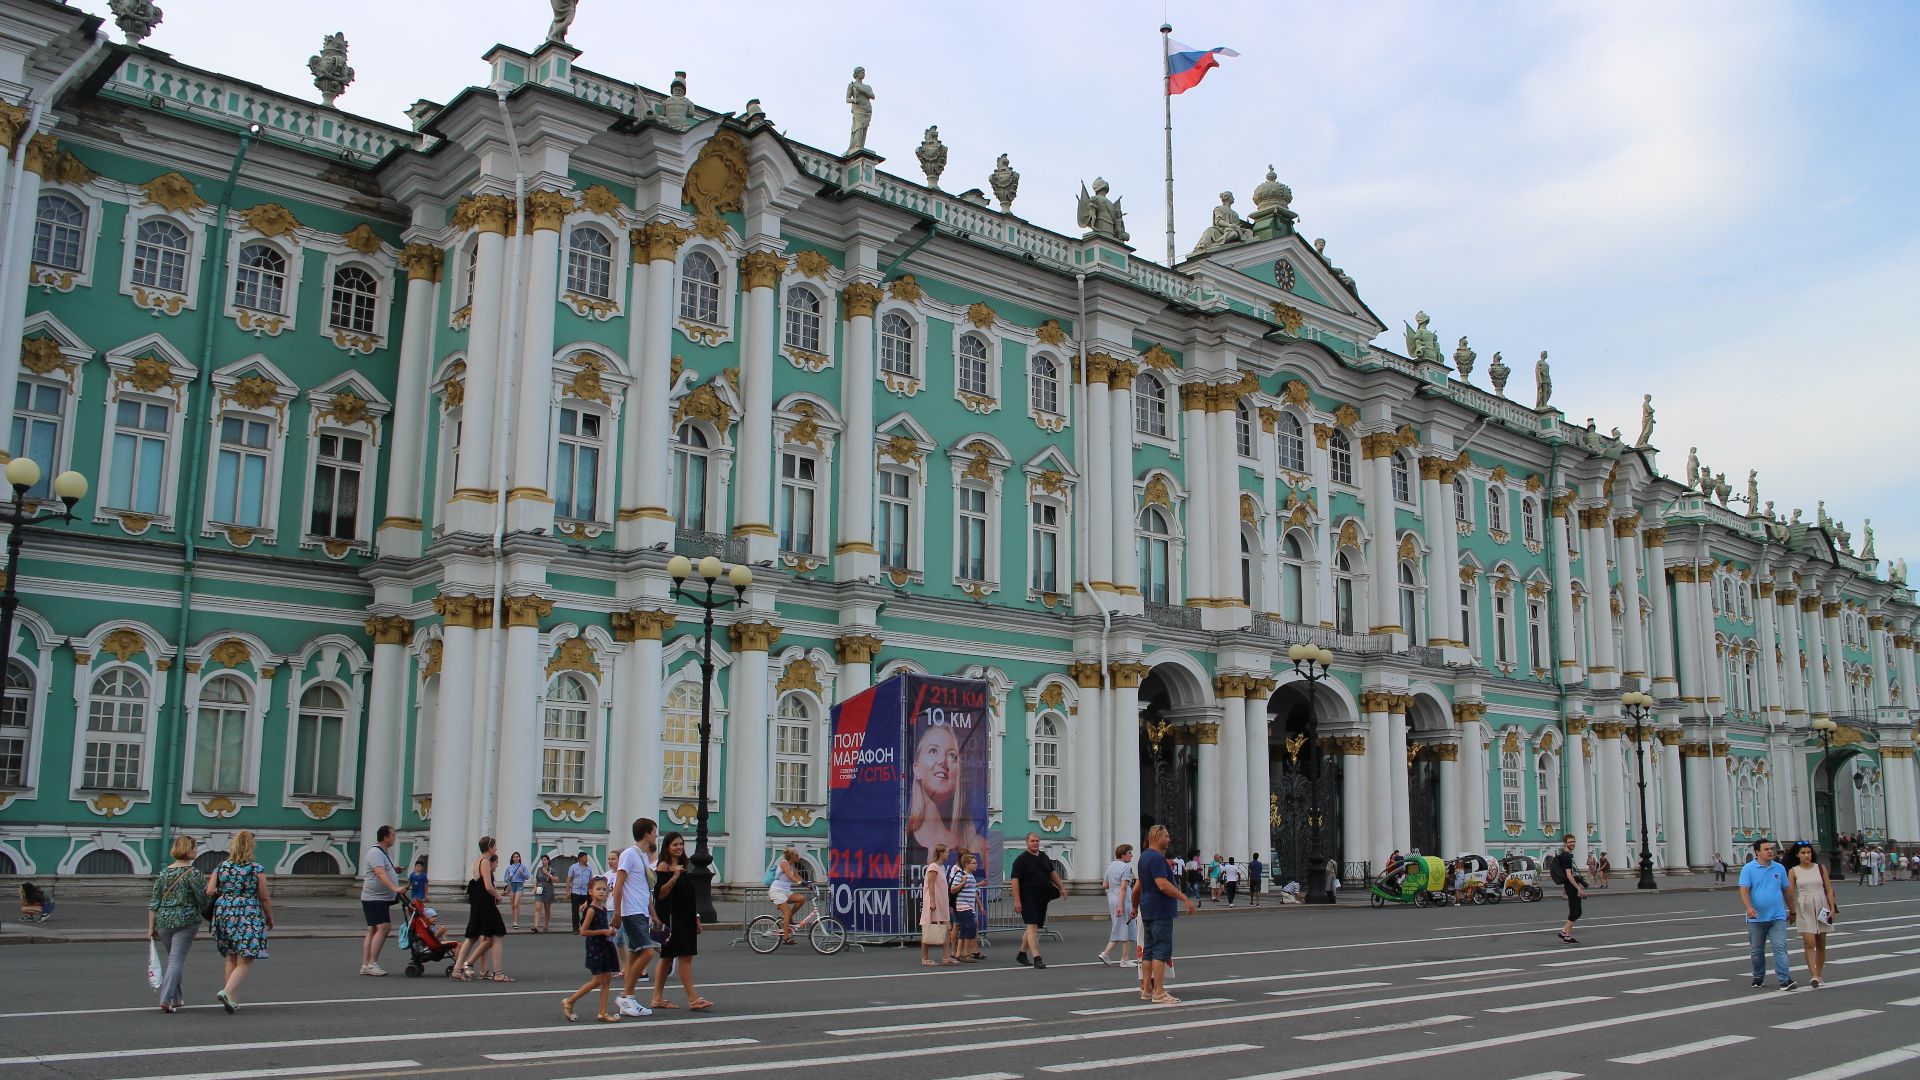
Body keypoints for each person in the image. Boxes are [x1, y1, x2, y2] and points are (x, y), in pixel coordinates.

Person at [906, 715, 984, 872]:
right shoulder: (900, 842)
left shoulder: (977, 845)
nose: (943, 761)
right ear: (917, 769)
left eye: (952, 755)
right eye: (933, 751)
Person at [206, 829, 273, 1012]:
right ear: (251, 847)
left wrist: (227, 894)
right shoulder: (255, 868)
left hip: (223, 912)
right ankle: (227, 991)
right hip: (247, 912)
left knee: (230, 955)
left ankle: (231, 999)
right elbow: (264, 896)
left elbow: (210, 890)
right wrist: (269, 917)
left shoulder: (221, 867)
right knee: (246, 957)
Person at [1137, 825, 1197, 1005]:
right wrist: (1183, 898)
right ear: (1156, 837)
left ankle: (1147, 989)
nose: (1169, 840)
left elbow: (1138, 888)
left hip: (1147, 907)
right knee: (1161, 949)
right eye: (1167, 836)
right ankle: (1159, 991)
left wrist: (1134, 907)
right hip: (1160, 908)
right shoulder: (1156, 858)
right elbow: (1162, 884)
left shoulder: (1144, 857)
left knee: (1148, 950)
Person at [147, 834, 206, 1013]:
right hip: (186, 921)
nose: (196, 851)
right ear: (188, 850)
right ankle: (165, 999)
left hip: (163, 921)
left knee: (173, 960)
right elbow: (202, 898)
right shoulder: (194, 874)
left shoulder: (164, 872)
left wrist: (151, 928)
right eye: (195, 847)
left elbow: (154, 902)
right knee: (176, 960)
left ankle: (177, 998)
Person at [650, 831, 710, 1010]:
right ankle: (693, 999)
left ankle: (657, 998)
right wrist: (674, 876)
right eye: (675, 844)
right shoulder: (663, 866)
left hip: (685, 916)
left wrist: (696, 916)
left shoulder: (685, 865)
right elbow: (661, 894)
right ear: (667, 847)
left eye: (681, 844)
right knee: (684, 957)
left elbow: (689, 896)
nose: (679, 847)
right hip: (672, 917)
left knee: (668, 957)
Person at [613, 817, 660, 1018]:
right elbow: (618, 885)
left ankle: (628, 999)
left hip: (640, 911)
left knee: (633, 956)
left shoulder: (641, 856)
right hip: (631, 912)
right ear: (647, 833)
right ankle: (626, 996)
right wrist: (616, 912)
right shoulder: (629, 855)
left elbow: (644, 889)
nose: (656, 835)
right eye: (654, 832)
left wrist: (653, 914)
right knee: (648, 953)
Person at [560, 876, 621, 1023]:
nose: (601, 892)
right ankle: (570, 1001)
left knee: (607, 979)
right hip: (595, 946)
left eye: (604, 889)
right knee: (597, 980)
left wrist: (609, 931)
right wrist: (603, 932)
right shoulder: (591, 910)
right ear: (590, 891)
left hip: (605, 945)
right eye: (598, 889)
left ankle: (603, 1012)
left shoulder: (603, 908)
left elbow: (602, 928)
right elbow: (583, 931)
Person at [1741, 838, 1794, 990]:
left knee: (1780, 947)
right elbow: (1744, 890)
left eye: (1771, 849)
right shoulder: (1748, 869)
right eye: (1766, 849)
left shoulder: (1779, 868)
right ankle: (1758, 977)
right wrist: (1749, 908)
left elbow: (1786, 891)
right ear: (1757, 852)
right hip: (1756, 917)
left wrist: (1792, 910)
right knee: (1757, 950)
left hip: (1777, 916)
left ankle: (1784, 980)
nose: (1770, 851)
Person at [455, 836, 511, 982]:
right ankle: (498, 973)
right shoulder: (485, 862)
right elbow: (487, 885)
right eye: (495, 846)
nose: (496, 849)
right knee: (498, 934)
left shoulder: (477, 861)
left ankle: (457, 969)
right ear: (490, 847)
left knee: (472, 936)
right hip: (486, 904)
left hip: (477, 903)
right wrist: (498, 896)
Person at [1786, 842, 1838, 988]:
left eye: (1808, 852)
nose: (1806, 855)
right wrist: (1792, 911)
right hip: (1804, 907)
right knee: (1809, 943)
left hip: (1822, 906)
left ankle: (1819, 973)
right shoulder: (1793, 871)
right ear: (1797, 855)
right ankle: (1813, 975)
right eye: (1803, 853)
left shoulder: (1820, 868)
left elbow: (1828, 889)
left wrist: (1832, 908)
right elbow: (1790, 893)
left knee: (1821, 942)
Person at [1010, 832, 1065, 969]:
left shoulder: (1044, 857)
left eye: (1037, 841)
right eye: (1032, 841)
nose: (1035, 843)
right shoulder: (1021, 860)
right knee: (1032, 926)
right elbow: (1015, 880)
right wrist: (1017, 901)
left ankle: (1022, 954)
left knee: (1032, 927)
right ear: (1027, 842)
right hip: (1027, 897)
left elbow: (1052, 873)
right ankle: (1037, 957)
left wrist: (1061, 887)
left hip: (1042, 897)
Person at [358, 824, 403, 976]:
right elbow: (380, 873)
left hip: (377, 898)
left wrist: (395, 870)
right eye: (393, 835)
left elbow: (386, 870)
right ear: (385, 837)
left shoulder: (384, 852)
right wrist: (394, 888)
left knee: (373, 929)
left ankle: (366, 964)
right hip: (374, 898)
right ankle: (372, 963)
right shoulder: (375, 852)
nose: (394, 838)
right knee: (384, 927)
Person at [1098, 844, 1136, 966]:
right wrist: (1121, 905)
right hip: (1123, 900)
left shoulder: (1111, 866)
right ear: (1123, 854)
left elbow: (1104, 885)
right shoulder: (1126, 868)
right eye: (1130, 853)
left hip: (1112, 898)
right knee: (1126, 926)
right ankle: (1123, 958)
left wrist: (1114, 886)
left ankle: (1109, 954)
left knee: (1120, 926)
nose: (1131, 855)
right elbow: (1124, 888)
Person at [919, 842, 954, 967]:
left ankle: (946, 957)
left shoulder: (941, 868)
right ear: (941, 853)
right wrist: (932, 902)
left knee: (946, 928)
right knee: (928, 929)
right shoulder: (933, 867)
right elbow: (931, 885)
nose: (948, 854)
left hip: (942, 902)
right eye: (947, 852)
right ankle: (925, 958)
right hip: (933, 902)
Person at [1551, 833, 1586, 945]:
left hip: (1573, 886)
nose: (1572, 844)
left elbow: (1573, 873)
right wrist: (1578, 888)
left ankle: (1564, 932)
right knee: (1574, 912)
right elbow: (1569, 875)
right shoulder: (1566, 856)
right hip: (1571, 887)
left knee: (1578, 912)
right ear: (1565, 843)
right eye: (1570, 842)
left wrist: (1580, 884)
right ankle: (1567, 936)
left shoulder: (1569, 855)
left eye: (1573, 841)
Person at [768, 847, 807, 943]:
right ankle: (786, 938)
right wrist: (799, 883)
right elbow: (790, 875)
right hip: (777, 891)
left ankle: (788, 919)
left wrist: (808, 884)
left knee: (801, 899)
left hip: (785, 892)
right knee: (787, 912)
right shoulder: (784, 863)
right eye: (796, 855)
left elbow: (797, 876)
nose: (798, 856)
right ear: (792, 856)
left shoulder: (792, 865)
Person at [949, 850, 981, 963]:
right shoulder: (960, 875)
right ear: (967, 864)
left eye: (976, 863)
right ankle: (966, 954)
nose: (976, 865)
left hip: (969, 907)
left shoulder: (971, 876)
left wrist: (978, 908)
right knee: (970, 927)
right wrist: (962, 883)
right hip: (962, 906)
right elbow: (952, 889)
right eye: (973, 863)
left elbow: (973, 893)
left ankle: (959, 953)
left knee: (964, 929)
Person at [567, 852, 594, 932]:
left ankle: (584, 926)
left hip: (585, 892)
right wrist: (568, 891)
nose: (586, 859)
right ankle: (575, 929)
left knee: (586, 910)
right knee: (575, 911)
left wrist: (591, 891)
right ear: (580, 858)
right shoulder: (573, 867)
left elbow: (591, 880)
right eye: (585, 857)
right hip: (575, 891)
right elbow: (568, 879)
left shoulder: (589, 868)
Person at [505, 852, 531, 929]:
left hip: (519, 885)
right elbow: (505, 878)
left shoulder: (523, 867)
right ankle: (514, 921)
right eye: (514, 857)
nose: (515, 858)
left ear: (519, 858)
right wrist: (509, 878)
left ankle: (516, 922)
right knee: (513, 905)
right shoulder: (509, 867)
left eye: (517, 857)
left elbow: (527, 877)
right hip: (512, 886)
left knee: (516, 904)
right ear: (512, 859)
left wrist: (522, 873)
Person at [534, 855, 557, 933]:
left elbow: (556, 879)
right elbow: (537, 879)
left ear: (548, 861)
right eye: (542, 860)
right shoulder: (539, 869)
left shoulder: (551, 870)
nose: (543, 861)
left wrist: (548, 874)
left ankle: (546, 925)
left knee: (547, 908)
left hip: (548, 889)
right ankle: (536, 926)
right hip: (540, 889)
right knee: (538, 907)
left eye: (544, 860)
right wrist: (534, 887)